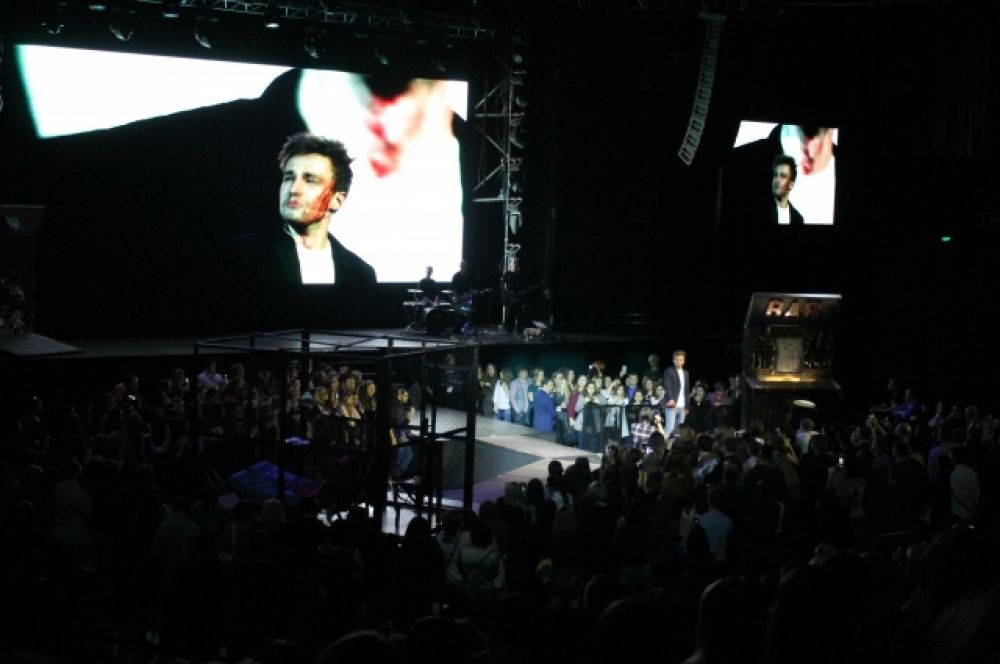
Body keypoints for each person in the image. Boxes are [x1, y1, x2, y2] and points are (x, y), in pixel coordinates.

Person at [228, 133, 376, 287]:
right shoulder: (245, 255)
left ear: (336, 200)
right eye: (288, 178)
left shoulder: (360, 274)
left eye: (310, 180)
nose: (294, 189)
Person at [770, 155, 804, 226]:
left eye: (783, 176)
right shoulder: (759, 210)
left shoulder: (798, 219)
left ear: (791, 185)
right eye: (775, 175)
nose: (777, 180)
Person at [662, 350, 690, 437]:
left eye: (681, 360)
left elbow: (686, 390)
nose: (679, 361)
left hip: (682, 405)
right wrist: (671, 399)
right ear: (673, 360)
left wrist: (687, 406)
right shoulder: (669, 371)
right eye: (677, 359)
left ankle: (676, 444)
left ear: (684, 361)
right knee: (669, 427)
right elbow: (667, 385)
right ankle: (661, 444)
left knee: (680, 430)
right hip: (672, 404)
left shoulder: (686, 373)